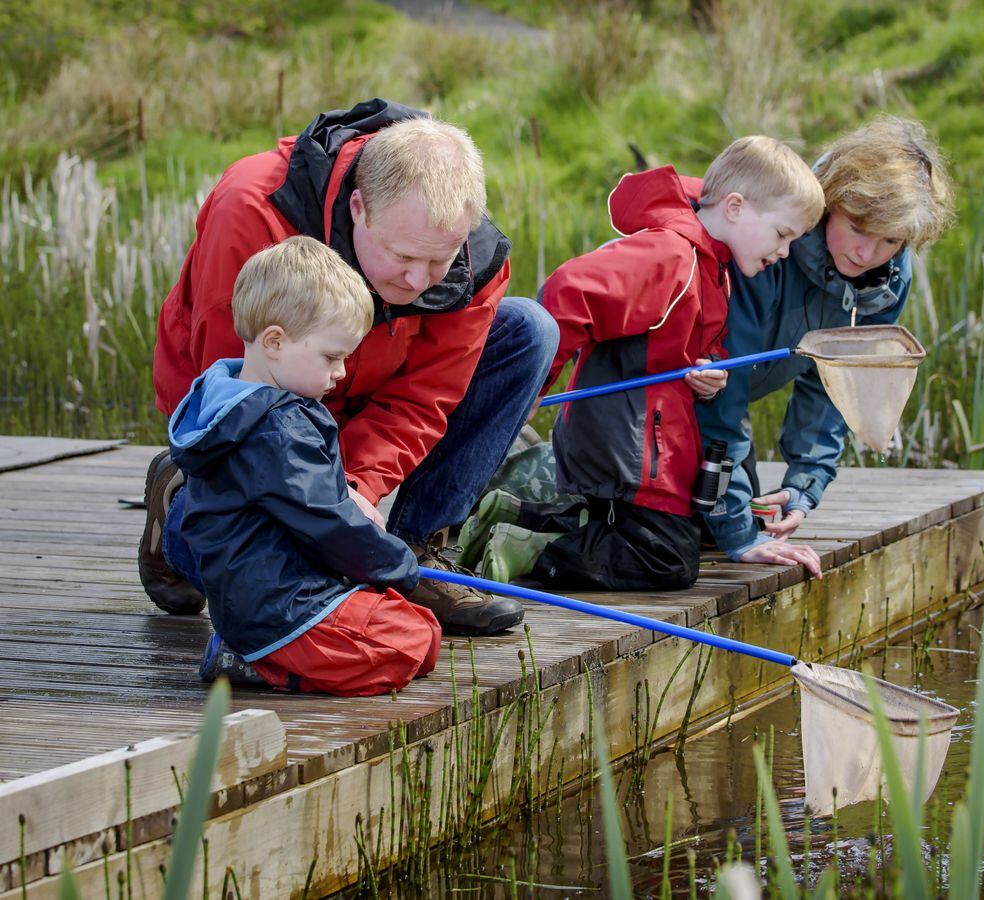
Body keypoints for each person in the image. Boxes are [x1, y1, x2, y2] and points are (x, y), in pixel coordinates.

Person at [139, 99, 558, 636]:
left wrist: (358, 490)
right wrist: (322, 508)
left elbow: (422, 399)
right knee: (269, 561)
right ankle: (174, 503)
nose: (418, 280)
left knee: (529, 328)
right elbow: (238, 390)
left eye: (439, 259)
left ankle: (417, 550)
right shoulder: (253, 207)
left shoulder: (474, 259)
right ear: (359, 207)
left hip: (366, 380)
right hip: (248, 404)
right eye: (403, 256)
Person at [458, 136, 826, 590]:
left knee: (676, 542)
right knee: (665, 560)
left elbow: (677, 342)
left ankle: (516, 514)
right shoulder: (670, 256)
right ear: (735, 208)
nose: (785, 251)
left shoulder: (713, 266)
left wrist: (706, 370)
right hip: (627, 444)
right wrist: (531, 386)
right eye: (782, 234)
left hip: (654, 442)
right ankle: (523, 549)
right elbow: (569, 290)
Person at [163, 236, 441, 694]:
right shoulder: (277, 428)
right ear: (275, 341)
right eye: (332, 357)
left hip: (265, 594)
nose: (340, 373)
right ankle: (258, 665)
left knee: (414, 624)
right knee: (414, 641)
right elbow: (326, 521)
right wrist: (397, 563)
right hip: (281, 607)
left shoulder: (228, 398)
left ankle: (250, 650)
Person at [697, 116, 955, 566]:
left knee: (727, 525)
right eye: (856, 228)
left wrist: (805, 484)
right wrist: (740, 535)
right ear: (830, 202)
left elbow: (835, 385)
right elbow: (724, 395)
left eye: (890, 240)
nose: (866, 253)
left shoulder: (887, 281)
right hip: (668, 399)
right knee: (691, 536)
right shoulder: (765, 244)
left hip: (718, 411)